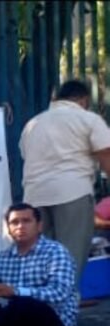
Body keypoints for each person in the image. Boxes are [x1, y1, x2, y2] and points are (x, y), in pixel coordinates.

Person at [20, 79, 110, 286]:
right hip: (73, 193)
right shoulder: (88, 119)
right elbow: (106, 154)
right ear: (84, 100)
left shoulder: (33, 123)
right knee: (70, 255)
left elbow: (26, 155)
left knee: (41, 256)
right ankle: (65, 300)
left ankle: (41, 300)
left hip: (34, 196)